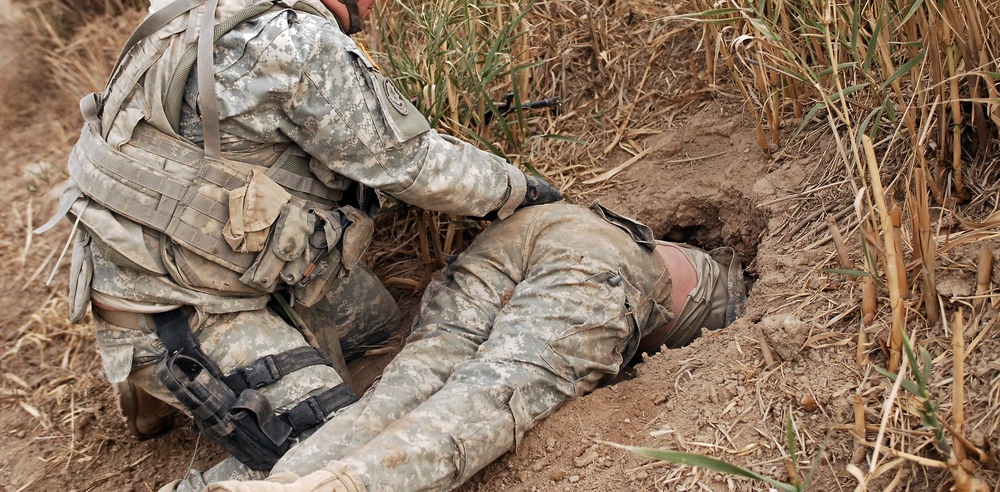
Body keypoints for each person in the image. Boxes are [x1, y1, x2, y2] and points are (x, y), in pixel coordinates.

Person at [39, 0, 560, 483]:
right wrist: (518, 188)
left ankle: (151, 372)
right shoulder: (295, 40)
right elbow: (412, 164)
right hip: (182, 305)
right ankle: (154, 366)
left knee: (374, 324)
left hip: (142, 251)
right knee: (338, 452)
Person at [203, 200, 743, 492]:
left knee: (404, 387)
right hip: (598, 266)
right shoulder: (713, 298)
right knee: (492, 395)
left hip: (524, 232)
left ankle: (284, 482)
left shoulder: (645, 237)